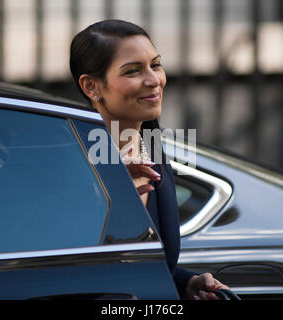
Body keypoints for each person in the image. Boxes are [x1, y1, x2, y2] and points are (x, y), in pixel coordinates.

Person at [69, 19, 229, 300]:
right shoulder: (66, 159)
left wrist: (186, 282)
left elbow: (144, 264)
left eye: (155, 65)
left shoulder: (151, 147)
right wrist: (105, 187)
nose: (154, 80)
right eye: (133, 71)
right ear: (92, 86)